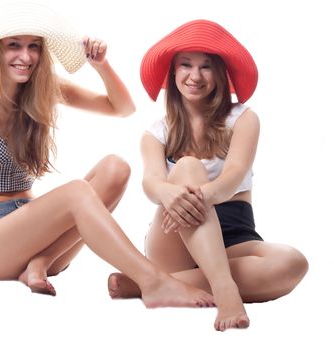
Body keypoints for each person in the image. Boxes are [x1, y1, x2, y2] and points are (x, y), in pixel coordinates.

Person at [0, 2, 215, 308]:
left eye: (34, 46)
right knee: (78, 192)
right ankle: (152, 281)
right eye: (14, 45)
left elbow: (121, 108)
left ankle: (40, 262)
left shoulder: (45, 90)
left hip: (39, 231)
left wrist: (102, 65)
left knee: (115, 167)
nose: (26, 56)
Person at [107, 19, 308, 331]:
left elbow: (235, 173)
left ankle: (148, 284)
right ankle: (224, 288)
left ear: (220, 73)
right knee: (187, 166)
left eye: (206, 67)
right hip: (174, 239)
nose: (195, 76)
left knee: (293, 262)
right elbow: (150, 183)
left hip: (235, 236)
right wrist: (169, 193)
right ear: (173, 73)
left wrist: (203, 196)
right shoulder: (156, 132)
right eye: (186, 65)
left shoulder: (243, 118)